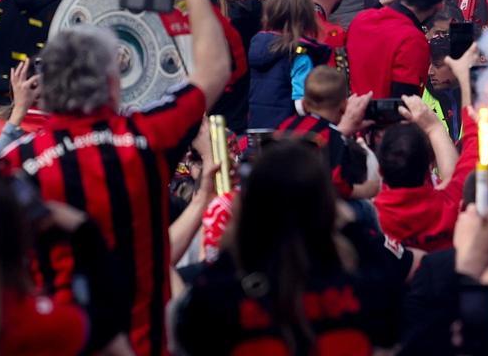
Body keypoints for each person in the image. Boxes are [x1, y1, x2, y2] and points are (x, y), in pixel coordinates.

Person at [0, 0, 231, 356]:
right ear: (113, 83)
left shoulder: (14, 164)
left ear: (45, 92)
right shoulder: (148, 138)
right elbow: (213, 73)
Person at [173, 140, 407, 355]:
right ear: (328, 208)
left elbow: (189, 327)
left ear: (249, 210)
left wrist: (236, 231)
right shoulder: (363, 280)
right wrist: (345, 222)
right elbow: (391, 314)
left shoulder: (219, 294)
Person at [373, 94, 477, 252]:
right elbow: (473, 143)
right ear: (430, 165)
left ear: (379, 170)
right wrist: (434, 128)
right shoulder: (452, 202)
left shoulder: (371, 218)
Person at [346, 0, 451, 99]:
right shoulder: (413, 40)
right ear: (439, 5)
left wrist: (382, 2)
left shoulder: (361, 19)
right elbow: (405, 103)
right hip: (383, 118)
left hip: (347, 115)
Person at [275, 66, 377, 199]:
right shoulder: (333, 138)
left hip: (279, 199)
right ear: (344, 105)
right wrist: (368, 189)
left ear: (305, 103)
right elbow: (335, 186)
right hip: (310, 207)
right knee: (363, 208)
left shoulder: (285, 125)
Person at [247, 0, 329, 129]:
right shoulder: (298, 54)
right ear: (306, 16)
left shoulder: (257, 46)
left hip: (257, 130)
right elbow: (301, 105)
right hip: (286, 135)